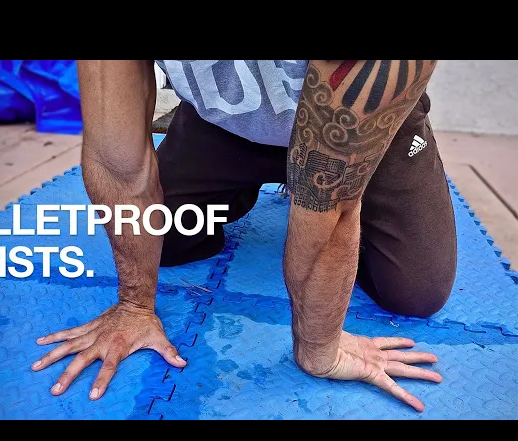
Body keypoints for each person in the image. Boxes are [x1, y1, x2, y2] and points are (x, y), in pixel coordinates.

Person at [31, 60, 455, 412]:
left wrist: (320, 349)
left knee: (415, 291)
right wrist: (134, 306)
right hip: (226, 122)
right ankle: (245, 176)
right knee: (164, 240)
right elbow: (115, 163)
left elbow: (333, 198)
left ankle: (300, 182)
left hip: (365, 130)